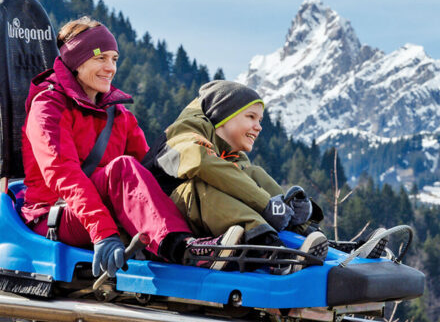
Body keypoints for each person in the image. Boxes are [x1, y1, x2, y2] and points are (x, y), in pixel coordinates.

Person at [20, 18, 242, 277]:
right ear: (76, 61)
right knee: (122, 167)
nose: (110, 68)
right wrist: (103, 233)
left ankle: (232, 238)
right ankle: (183, 250)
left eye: (114, 59)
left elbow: (149, 174)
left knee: (182, 174)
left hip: (101, 210)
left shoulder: (118, 114)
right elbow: (65, 176)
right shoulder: (48, 107)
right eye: (100, 58)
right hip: (56, 214)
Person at [143, 80, 328, 274]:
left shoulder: (230, 152)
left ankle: (305, 232)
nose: (258, 127)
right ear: (223, 114)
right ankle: (265, 247)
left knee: (253, 174)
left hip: (201, 220)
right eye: (251, 117)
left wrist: (289, 209)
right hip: (165, 226)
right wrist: (266, 204)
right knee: (204, 185)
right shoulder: (185, 131)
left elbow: (245, 182)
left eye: (260, 120)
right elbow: (201, 161)